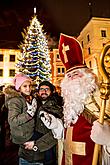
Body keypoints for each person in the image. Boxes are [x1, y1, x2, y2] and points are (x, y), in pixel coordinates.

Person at [39, 33, 110, 165]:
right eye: (69, 76)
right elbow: (69, 136)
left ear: (87, 78)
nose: (71, 79)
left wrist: (109, 140)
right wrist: (57, 126)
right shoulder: (70, 105)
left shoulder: (104, 100)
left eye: (76, 74)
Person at [24, 81, 64, 165]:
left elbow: (56, 133)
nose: (44, 91)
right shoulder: (34, 104)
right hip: (30, 153)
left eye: (47, 89)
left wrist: (37, 144)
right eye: (41, 89)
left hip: (47, 151)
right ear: (38, 91)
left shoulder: (57, 107)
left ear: (52, 91)